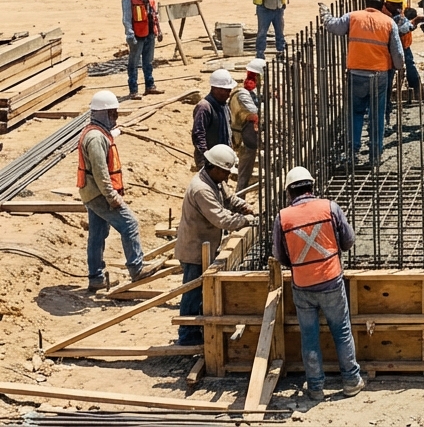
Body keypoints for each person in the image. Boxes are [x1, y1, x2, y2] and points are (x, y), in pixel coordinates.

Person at [273, 166, 365, 402]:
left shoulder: (282, 217)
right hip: (331, 280)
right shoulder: (329, 207)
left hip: (302, 286)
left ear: (289, 193)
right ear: (312, 187)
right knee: (342, 332)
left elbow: (281, 256)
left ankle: (315, 388)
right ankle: (351, 381)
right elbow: (348, 241)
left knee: (309, 337)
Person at [77, 90, 163, 290]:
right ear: (103, 114)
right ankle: (137, 268)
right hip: (99, 193)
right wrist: (112, 197)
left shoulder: (94, 132)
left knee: (97, 234)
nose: (115, 118)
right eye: (113, 114)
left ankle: (96, 278)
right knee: (129, 224)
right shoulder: (96, 139)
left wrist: (116, 132)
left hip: (90, 192)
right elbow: (100, 173)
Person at [175, 145, 255, 347]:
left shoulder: (214, 180)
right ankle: (187, 336)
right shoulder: (201, 189)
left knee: (202, 292)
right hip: (194, 249)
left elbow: (229, 199)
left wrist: (244, 207)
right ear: (215, 168)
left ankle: (198, 330)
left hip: (206, 245)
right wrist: (246, 221)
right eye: (226, 171)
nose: (228, 176)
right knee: (192, 293)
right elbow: (221, 219)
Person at [320, 0, 404, 166]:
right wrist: (398, 68)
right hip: (379, 75)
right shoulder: (389, 23)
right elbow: (397, 54)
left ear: (365, 2)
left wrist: (325, 15)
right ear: (382, 3)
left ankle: (352, 153)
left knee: (356, 113)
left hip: (356, 74)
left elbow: (333, 26)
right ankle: (375, 154)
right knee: (377, 114)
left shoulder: (353, 17)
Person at [121, 0, 163, 101]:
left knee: (148, 62)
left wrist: (159, 30)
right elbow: (127, 19)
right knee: (133, 63)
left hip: (150, 33)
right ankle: (133, 90)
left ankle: (150, 86)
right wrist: (130, 35)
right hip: (137, 36)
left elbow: (154, 15)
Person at [229, 59, 265, 192]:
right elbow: (254, 114)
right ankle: (238, 201)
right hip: (245, 141)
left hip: (251, 139)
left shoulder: (252, 92)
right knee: (243, 177)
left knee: (246, 175)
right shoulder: (242, 95)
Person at [383, 0, 421, 102]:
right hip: (390, 48)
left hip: (404, 44)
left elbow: (405, 20)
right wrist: (414, 22)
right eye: (397, 5)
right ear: (388, 3)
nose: (400, 8)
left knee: (410, 66)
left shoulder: (397, 9)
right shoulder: (384, 15)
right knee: (389, 73)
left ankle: (417, 92)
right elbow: (399, 29)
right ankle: (387, 100)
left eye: (401, 5)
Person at [192, 70, 236, 170]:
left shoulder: (224, 105)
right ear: (215, 88)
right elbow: (198, 136)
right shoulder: (204, 107)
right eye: (226, 90)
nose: (229, 93)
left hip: (222, 159)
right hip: (210, 162)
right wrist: (207, 160)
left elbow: (228, 130)